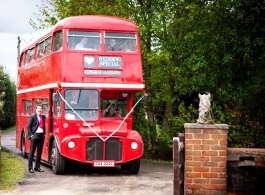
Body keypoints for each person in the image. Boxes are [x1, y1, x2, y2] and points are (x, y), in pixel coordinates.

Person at [27, 104, 45, 173]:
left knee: (39, 153)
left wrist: (44, 134)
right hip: (34, 136)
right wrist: (31, 135)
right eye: (38, 108)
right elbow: (28, 126)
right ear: (36, 109)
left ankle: (37, 167)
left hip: (41, 136)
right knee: (31, 152)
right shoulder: (33, 116)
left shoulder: (43, 117)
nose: (40, 109)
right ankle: (30, 168)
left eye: (41, 108)